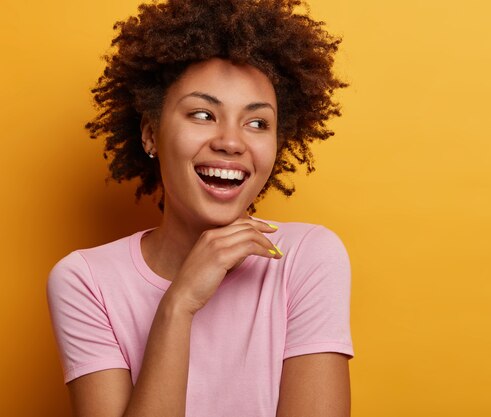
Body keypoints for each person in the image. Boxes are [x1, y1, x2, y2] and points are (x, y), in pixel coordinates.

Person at [46, 0, 353, 416]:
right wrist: (179, 304)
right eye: (203, 114)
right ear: (151, 135)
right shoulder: (85, 282)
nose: (231, 141)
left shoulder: (306, 257)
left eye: (258, 123)